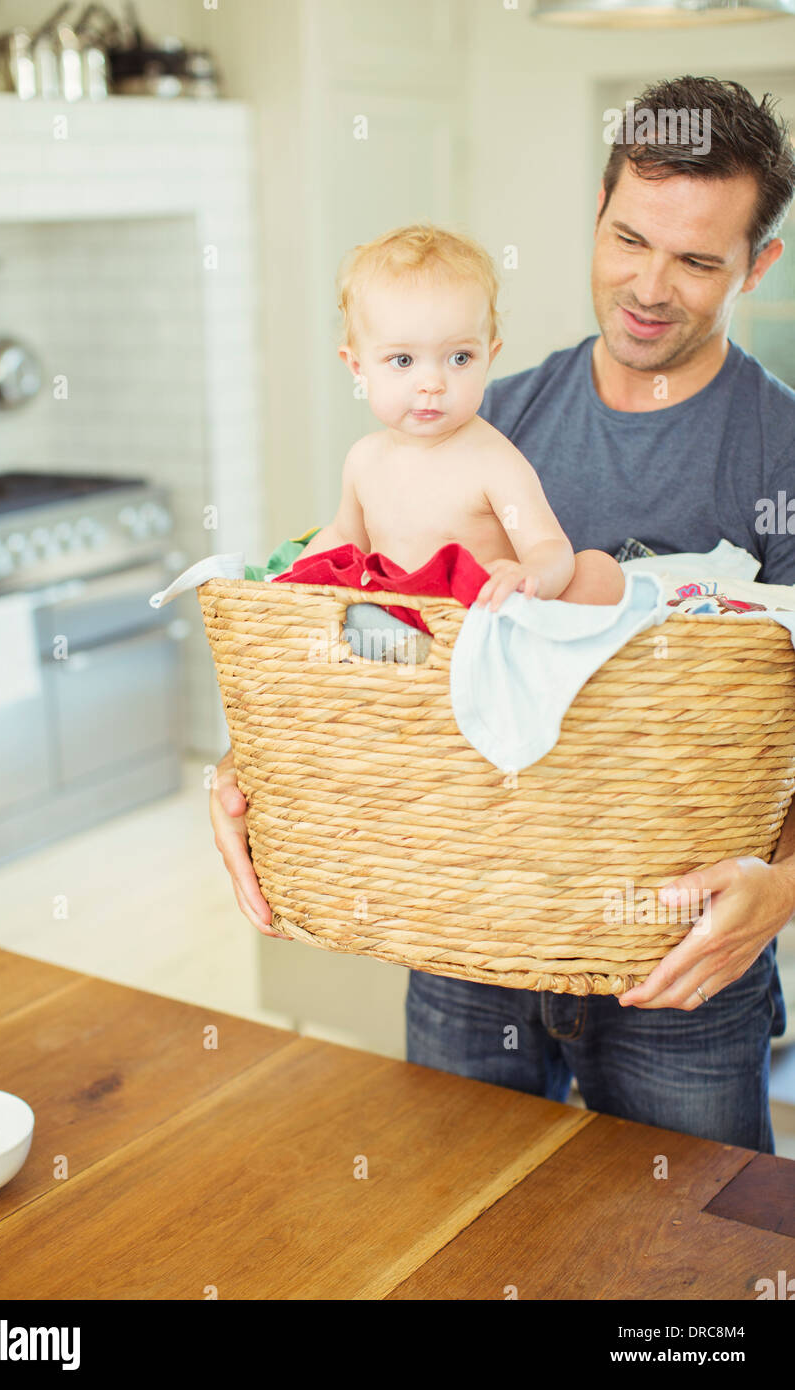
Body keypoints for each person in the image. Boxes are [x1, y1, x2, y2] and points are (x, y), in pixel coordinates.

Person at [210, 74, 795, 1154]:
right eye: (626, 238)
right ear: (596, 213)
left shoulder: (778, 451)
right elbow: (356, 628)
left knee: (683, 1280)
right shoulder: (480, 418)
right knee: (459, 1243)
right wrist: (252, 777)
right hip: (463, 946)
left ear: (757, 265)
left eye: (696, 259)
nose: (646, 286)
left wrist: (785, 888)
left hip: (677, 970)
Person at [285, 224, 624, 609]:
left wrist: (530, 575)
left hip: (483, 618)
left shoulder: (492, 459)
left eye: (460, 358)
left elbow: (549, 546)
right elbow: (344, 537)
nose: (432, 383)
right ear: (357, 367)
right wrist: (284, 587)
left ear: (489, 357)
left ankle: (534, 653)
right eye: (403, 360)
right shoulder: (364, 459)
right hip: (400, 624)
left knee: (598, 571)